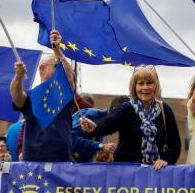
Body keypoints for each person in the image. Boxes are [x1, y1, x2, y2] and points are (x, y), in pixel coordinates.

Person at [79, 66, 180, 169]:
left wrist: (166, 159)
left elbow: (175, 143)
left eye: (149, 83)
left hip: (156, 172)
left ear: (156, 86)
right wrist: (94, 127)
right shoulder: (126, 108)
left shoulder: (165, 109)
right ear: (134, 87)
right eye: (141, 83)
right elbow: (108, 123)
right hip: (126, 174)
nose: (145, 87)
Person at [10, 29, 75, 162]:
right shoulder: (32, 95)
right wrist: (18, 77)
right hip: (33, 162)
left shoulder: (64, 92)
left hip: (62, 159)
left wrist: (58, 51)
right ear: (43, 69)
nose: (60, 70)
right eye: (57, 66)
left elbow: (70, 77)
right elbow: (17, 98)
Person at [71, 93, 118, 162]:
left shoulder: (106, 124)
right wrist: (100, 146)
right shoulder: (91, 115)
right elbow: (72, 139)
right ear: (116, 110)